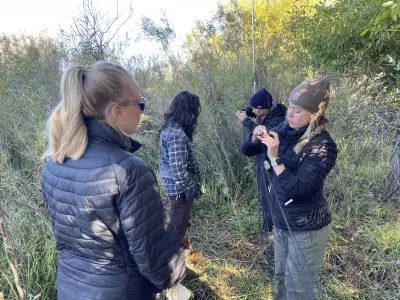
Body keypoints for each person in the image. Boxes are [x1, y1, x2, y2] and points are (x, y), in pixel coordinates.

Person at [41, 62, 185, 300]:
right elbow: (157, 262)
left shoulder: (55, 163)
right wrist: (176, 273)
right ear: (117, 111)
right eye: (140, 103)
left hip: (70, 288)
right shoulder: (128, 170)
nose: (143, 111)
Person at [243, 77, 337, 299]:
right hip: (283, 221)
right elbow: (247, 150)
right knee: (281, 280)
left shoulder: (323, 146)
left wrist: (275, 158)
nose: (289, 114)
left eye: (297, 110)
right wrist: (256, 134)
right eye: (290, 107)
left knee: (299, 290)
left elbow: (298, 190)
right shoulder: (287, 127)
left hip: (307, 229)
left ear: (314, 114)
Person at [236, 88, 286, 243]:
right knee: (264, 197)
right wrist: (248, 112)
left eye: (256, 108)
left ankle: (271, 234)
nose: (253, 110)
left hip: (271, 165)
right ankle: (268, 231)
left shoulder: (276, 120)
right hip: (263, 163)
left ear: (263, 108)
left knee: (270, 198)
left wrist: (246, 122)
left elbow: (262, 139)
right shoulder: (265, 112)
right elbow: (251, 110)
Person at [159, 91, 202, 261]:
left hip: (178, 191)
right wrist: (195, 189)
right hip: (180, 192)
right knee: (176, 232)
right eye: (195, 111)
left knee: (182, 226)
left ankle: (185, 262)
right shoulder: (176, 134)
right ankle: (170, 273)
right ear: (188, 111)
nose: (196, 116)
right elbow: (179, 172)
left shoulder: (171, 129)